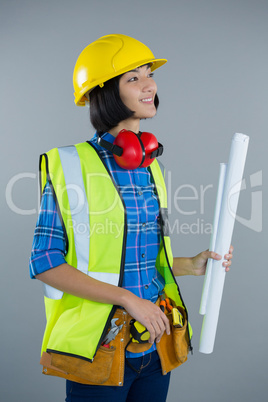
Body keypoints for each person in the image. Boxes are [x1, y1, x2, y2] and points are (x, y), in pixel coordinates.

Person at [29, 34, 233, 402]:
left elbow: (134, 256)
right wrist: (127, 299)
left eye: (149, 73)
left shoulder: (150, 166)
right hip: (101, 349)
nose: (150, 84)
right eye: (133, 77)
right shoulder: (69, 166)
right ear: (105, 93)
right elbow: (44, 262)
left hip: (154, 345)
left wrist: (190, 264)